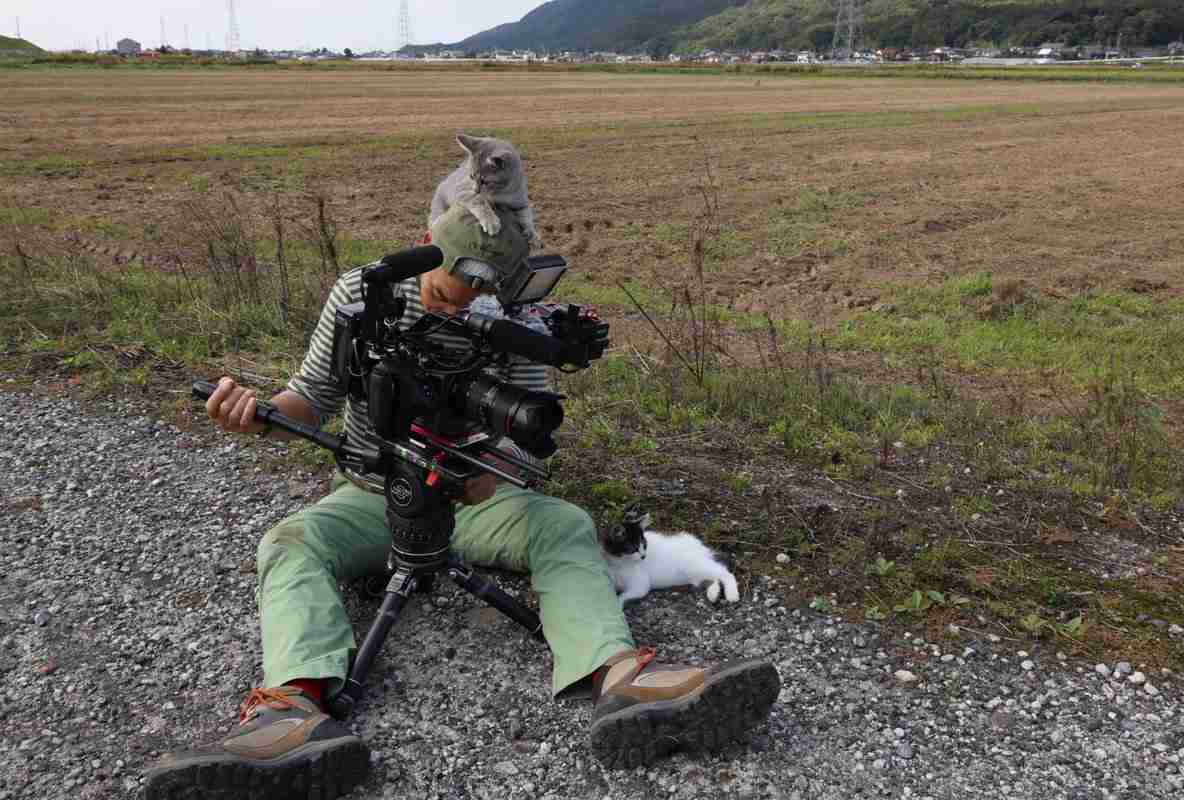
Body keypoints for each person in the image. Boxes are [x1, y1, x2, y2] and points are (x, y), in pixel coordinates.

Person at [142, 202, 780, 799]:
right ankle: (290, 713)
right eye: (449, 295)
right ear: (427, 247)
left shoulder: (517, 319)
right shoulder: (362, 292)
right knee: (290, 542)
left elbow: (531, 437)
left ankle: (623, 678)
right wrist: (255, 414)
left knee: (564, 525)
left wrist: (488, 477)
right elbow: (310, 397)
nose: (462, 310)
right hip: (374, 491)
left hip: (477, 498)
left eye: (480, 300)